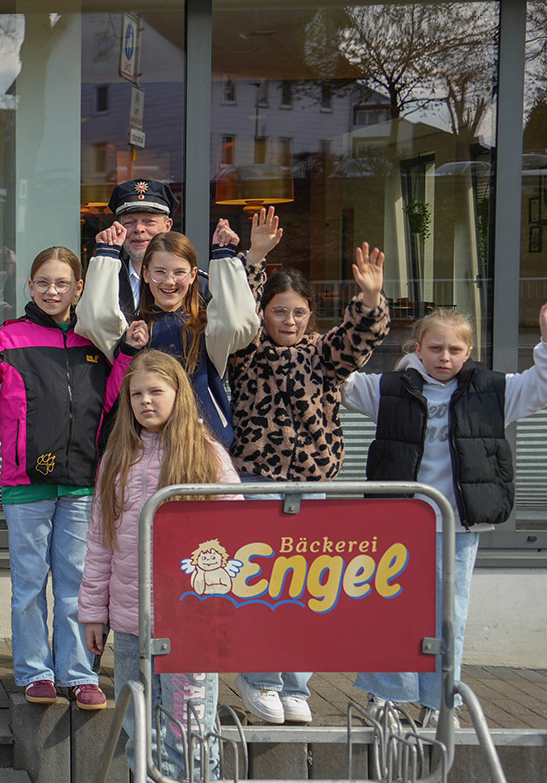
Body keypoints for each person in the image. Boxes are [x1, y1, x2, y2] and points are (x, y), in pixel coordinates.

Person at [345, 302, 547, 724]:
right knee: (391, 608)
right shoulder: (389, 389)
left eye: (455, 349)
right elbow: (336, 377)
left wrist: (545, 342)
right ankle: (385, 696)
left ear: (469, 352)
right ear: (418, 349)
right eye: (435, 348)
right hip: (399, 523)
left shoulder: (493, 391)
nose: (444, 357)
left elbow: (539, 386)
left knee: (448, 617)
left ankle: (439, 702)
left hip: (457, 525)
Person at [225, 227, 391, 725]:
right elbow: (234, 310)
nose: (290, 321)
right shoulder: (247, 350)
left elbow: (359, 338)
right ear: (264, 313)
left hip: (313, 486)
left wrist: (370, 297)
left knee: (307, 588)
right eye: (279, 311)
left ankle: (296, 685)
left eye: (298, 312)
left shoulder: (324, 353)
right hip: (257, 480)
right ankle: (259, 678)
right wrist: (254, 259)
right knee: (261, 584)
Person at [0, 247, 116, 711]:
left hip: (82, 479)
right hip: (26, 481)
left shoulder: (94, 338)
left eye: (62, 283)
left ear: (79, 289)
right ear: (30, 286)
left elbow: (115, 396)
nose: (52, 291)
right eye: (43, 282)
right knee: (29, 584)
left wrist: (126, 351)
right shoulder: (10, 336)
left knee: (77, 583)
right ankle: (34, 672)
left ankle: (79, 673)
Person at [81, 350, 238, 783]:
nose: (145, 401)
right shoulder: (118, 456)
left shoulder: (206, 453)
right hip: (132, 624)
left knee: (190, 728)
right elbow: (100, 541)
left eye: (156, 391)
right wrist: (93, 613)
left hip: (190, 624)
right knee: (140, 728)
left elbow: (236, 531)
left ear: (178, 394)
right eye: (136, 394)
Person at [78, 220, 259, 447]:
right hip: (145, 446)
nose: (169, 281)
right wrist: (106, 255)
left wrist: (224, 258)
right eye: (160, 272)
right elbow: (94, 320)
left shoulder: (206, 329)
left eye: (179, 272)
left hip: (203, 442)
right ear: (145, 273)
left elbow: (238, 322)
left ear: (193, 275)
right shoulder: (134, 329)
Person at [103, 179, 187, 314]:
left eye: (149, 221)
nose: (139, 229)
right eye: (129, 222)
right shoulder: (106, 280)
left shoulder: (193, 284)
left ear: (167, 226)